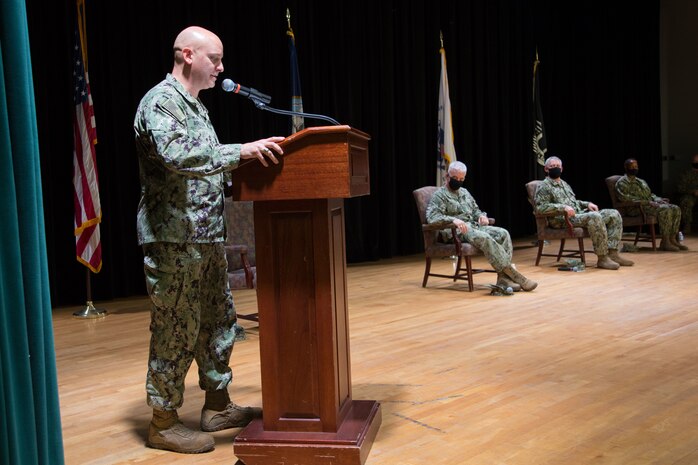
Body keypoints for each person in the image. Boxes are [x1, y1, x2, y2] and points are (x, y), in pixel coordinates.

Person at [134, 26, 284, 454]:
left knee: (219, 323)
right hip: (173, 240)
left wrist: (245, 165)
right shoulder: (161, 102)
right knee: (175, 329)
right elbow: (179, 157)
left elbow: (209, 168)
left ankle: (216, 405)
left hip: (206, 237)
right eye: (214, 59)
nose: (221, 68)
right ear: (187, 55)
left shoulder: (197, 108)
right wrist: (241, 151)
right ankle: (163, 422)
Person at [426, 161, 538, 292]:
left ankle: (503, 278)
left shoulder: (464, 192)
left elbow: (476, 210)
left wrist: (482, 216)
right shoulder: (439, 195)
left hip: (473, 226)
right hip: (455, 231)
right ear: (447, 176)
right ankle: (516, 276)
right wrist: (453, 220)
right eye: (455, 178)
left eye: (462, 179)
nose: (458, 181)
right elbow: (432, 218)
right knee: (485, 237)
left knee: (503, 233)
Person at [534, 156, 634, 270]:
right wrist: (563, 207)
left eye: (558, 166)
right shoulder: (543, 186)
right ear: (546, 169)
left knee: (613, 214)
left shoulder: (564, 184)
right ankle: (602, 258)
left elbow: (574, 202)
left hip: (577, 215)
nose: (555, 168)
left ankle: (613, 253)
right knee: (594, 217)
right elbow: (540, 208)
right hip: (561, 219)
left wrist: (587, 204)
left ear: (562, 169)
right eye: (552, 166)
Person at [615, 158, 687, 251]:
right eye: (632, 166)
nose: (635, 168)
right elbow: (626, 198)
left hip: (648, 205)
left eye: (636, 166)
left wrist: (659, 199)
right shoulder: (622, 182)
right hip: (636, 208)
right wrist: (648, 202)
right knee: (665, 209)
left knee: (675, 208)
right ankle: (665, 242)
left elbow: (650, 195)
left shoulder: (641, 181)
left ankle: (672, 239)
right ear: (626, 167)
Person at [677, 153, 698, 234]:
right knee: (686, 201)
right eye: (695, 162)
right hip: (690, 196)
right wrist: (693, 191)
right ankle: (687, 225)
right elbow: (680, 188)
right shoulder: (686, 174)